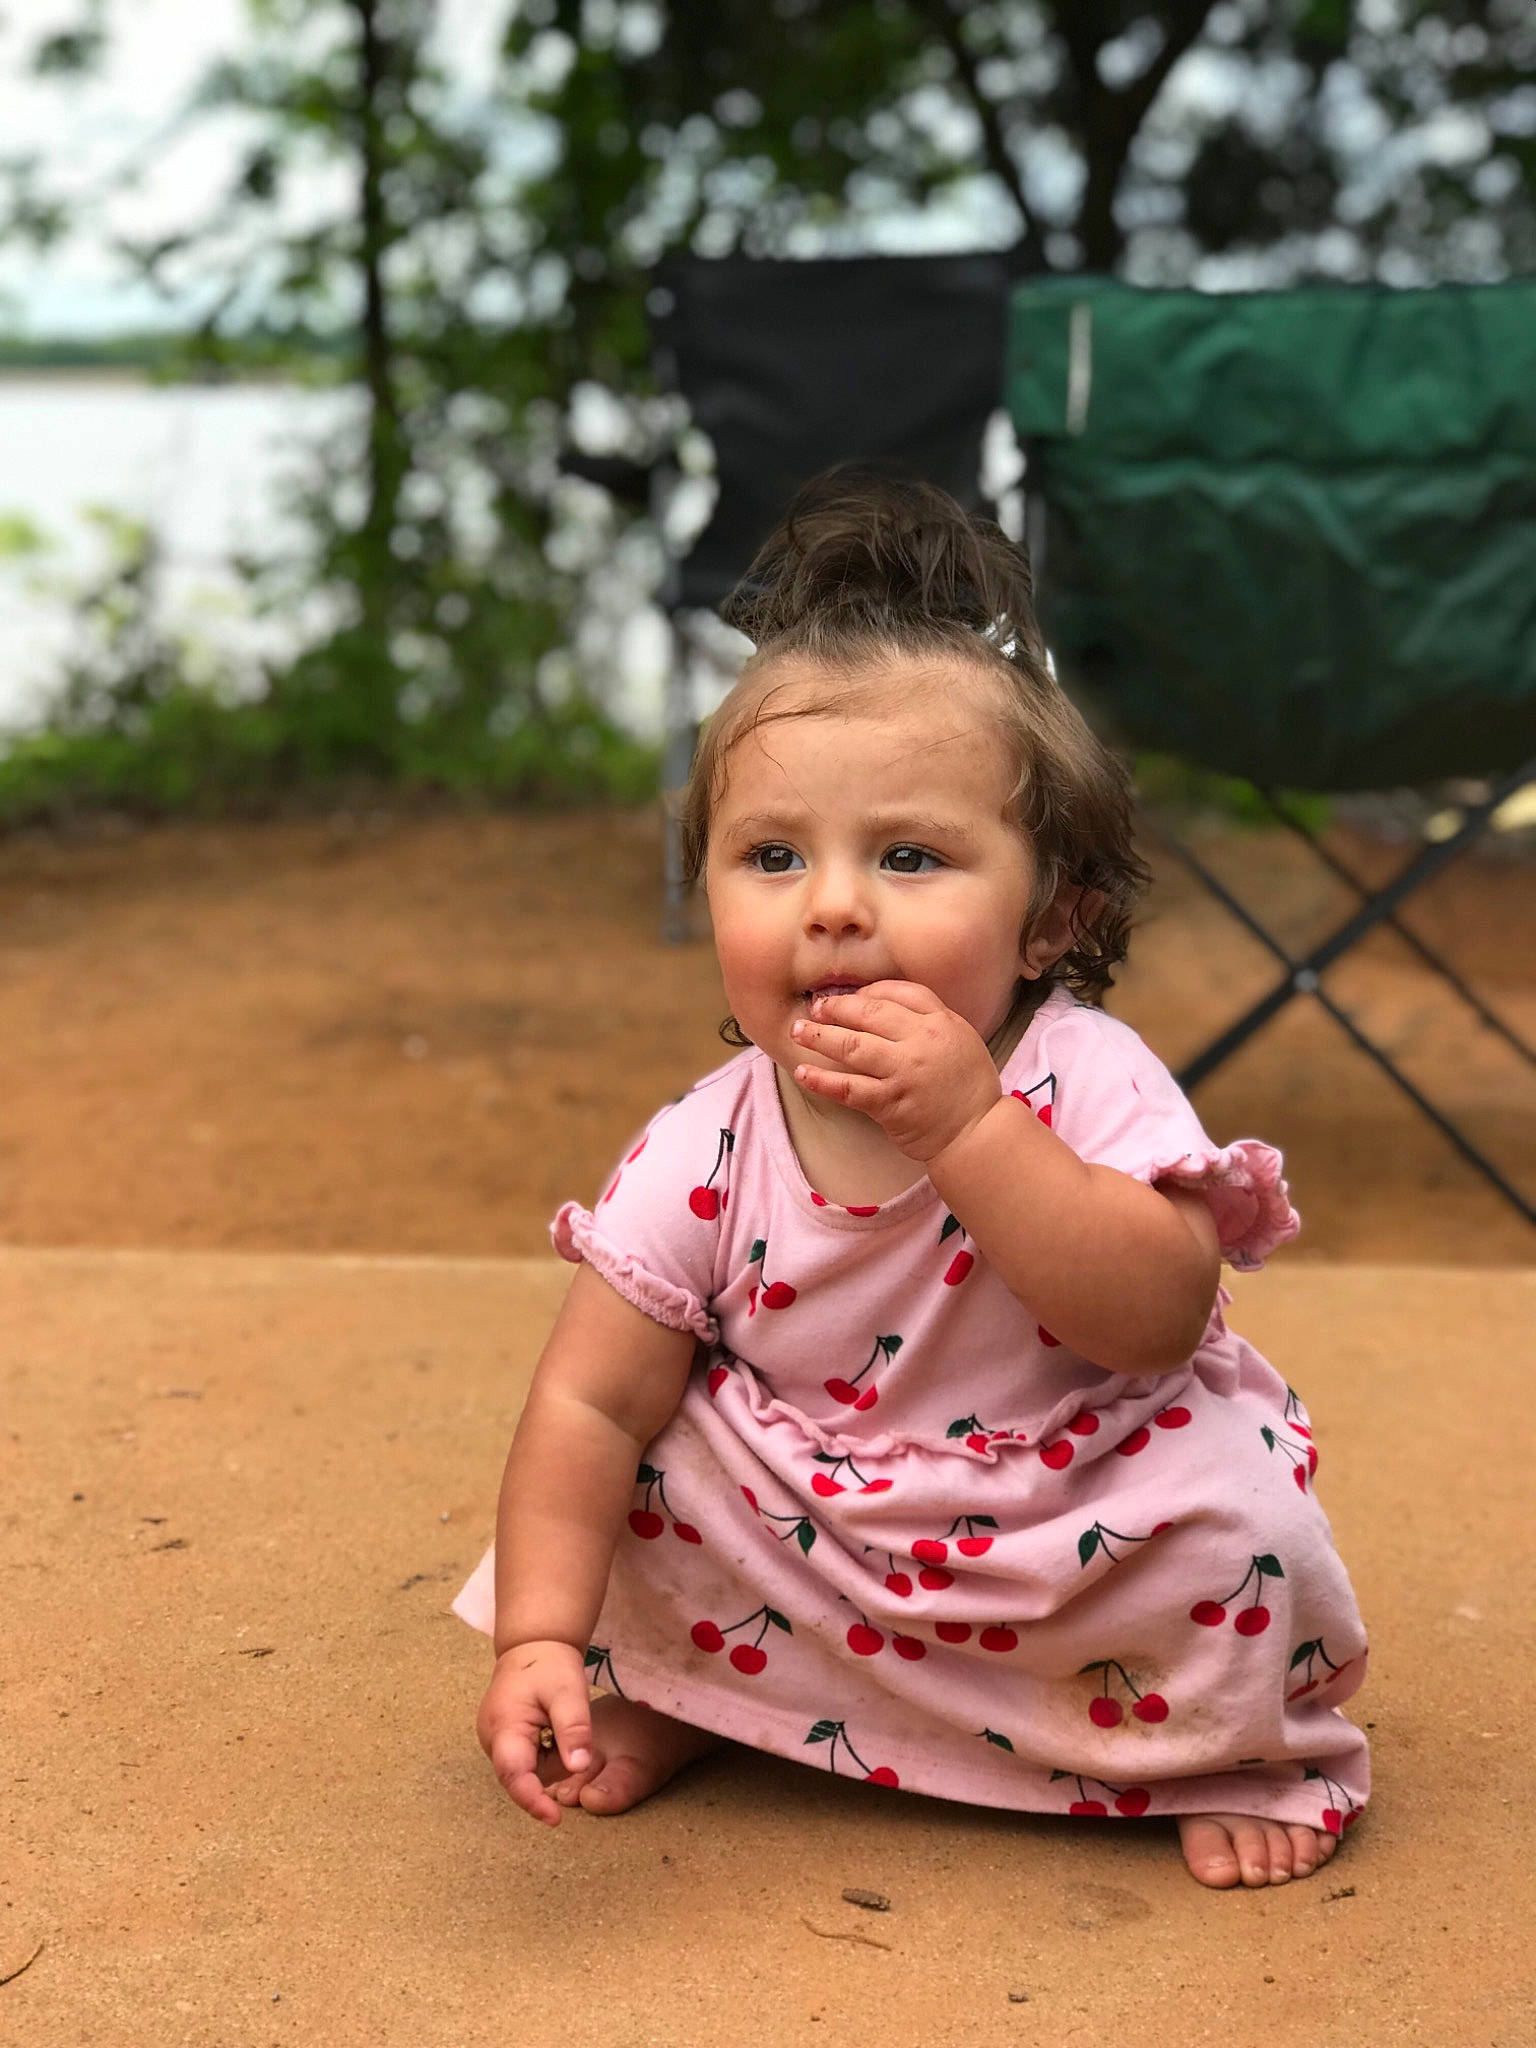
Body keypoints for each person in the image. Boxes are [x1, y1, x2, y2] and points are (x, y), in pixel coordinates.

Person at [454, 472, 1369, 1890]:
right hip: (817, 1521)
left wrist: (972, 1128)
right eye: (770, 856)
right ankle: (711, 1698)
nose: (833, 904)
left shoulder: (1087, 1076)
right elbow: (588, 1397)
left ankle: (1217, 1744)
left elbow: (1156, 1318)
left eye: (909, 855)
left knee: (1235, 1516)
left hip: (1072, 1511)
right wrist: (534, 1635)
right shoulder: (712, 1137)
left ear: (1052, 911)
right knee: (658, 1461)